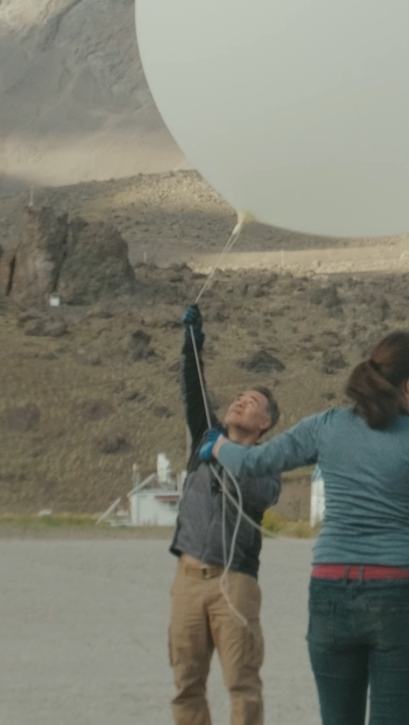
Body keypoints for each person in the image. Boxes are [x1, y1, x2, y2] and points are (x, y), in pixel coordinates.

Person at [203, 330, 409, 725]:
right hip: (400, 594)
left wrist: (216, 445)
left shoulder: (325, 425)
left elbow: (250, 463)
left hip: (331, 592)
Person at [169, 304, 283, 725]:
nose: (238, 402)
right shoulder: (205, 435)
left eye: (250, 402)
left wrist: (225, 452)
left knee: (242, 682)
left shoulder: (267, 461)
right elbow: (193, 388)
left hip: (234, 582)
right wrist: (192, 342)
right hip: (187, 580)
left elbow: (263, 494)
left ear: (264, 423)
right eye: (238, 398)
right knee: (186, 683)